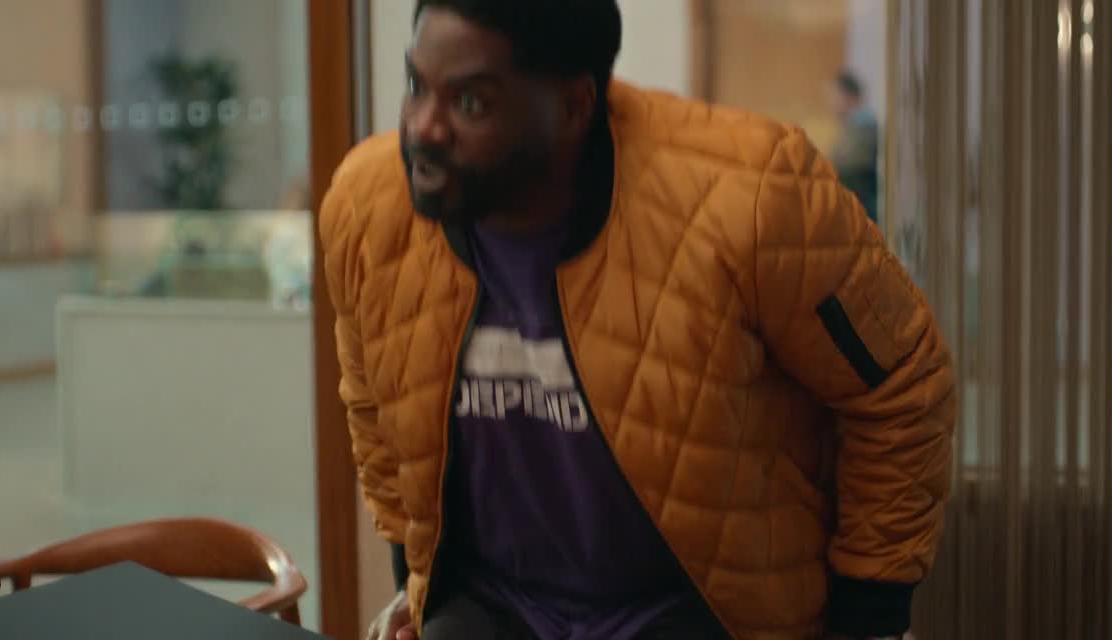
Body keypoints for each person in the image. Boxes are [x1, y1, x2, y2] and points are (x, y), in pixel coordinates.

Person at [321, 1, 954, 638]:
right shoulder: (367, 207)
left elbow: (901, 389)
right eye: (416, 85)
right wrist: (416, 580)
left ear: (574, 106)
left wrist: (867, 617)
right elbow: (374, 404)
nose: (423, 128)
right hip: (494, 606)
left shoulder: (751, 197)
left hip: (694, 612)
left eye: (471, 104)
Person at [828, 71, 881, 224]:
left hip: (866, 206)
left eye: (834, 97)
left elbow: (847, 166)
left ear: (849, 97)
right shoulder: (854, 123)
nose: (831, 103)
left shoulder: (863, 124)